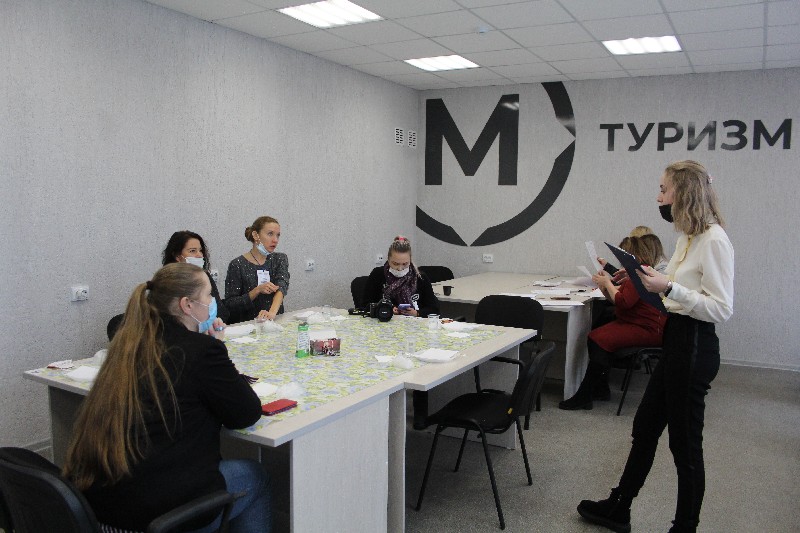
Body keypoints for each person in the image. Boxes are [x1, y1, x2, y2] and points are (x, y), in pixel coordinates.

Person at [577, 160, 733, 533]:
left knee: (685, 446)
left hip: (694, 346)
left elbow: (721, 308)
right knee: (645, 427)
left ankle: (684, 527)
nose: (659, 197)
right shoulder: (687, 238)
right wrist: (642, 278)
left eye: (664, 190)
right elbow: (673, 292)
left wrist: (669, 287)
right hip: (675, 339)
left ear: (684, 193)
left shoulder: (714, 240)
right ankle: (619, 507)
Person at [63, 263, 270, 532]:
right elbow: (246, 413)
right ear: (187, 305)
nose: (212, 303)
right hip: (155, 512)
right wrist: (217, 349)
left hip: (100, 504)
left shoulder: (129, 344)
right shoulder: (201, 350)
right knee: (255, 476)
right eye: (208, 296)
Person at [560, 236, 667, 411]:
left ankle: (586, 394)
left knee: (598, 338)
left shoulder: (639, 273)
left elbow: (623, 302)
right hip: (638, 323)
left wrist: (607, 283)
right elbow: (618, 299)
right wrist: (605, 287)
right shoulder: (636, 271)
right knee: (596, 336)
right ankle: (599, 388)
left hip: (648, 328)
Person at [225, 216, 290, 323]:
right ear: (255, 235)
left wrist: (271, 313)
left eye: (278, 235)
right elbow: (230, 304)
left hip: (274, 322)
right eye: (270, 234)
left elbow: (282, 286)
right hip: (248, 324)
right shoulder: (237, 264)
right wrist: (257, 291)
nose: (275, 240)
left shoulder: (279, 259)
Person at [162, 230, 230, 323]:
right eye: (192, 251)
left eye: (200, 250)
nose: (199, 255)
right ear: (177, 256)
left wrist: (215, 322)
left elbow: (221, 310)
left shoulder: (205, 276)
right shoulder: (168, 282)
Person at [364, 236, 440, 317]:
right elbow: (364, 305)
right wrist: (386, 308)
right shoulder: (378, 274)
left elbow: (434, 309)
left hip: (414, 321)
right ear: (388, 259)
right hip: (385, 320)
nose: (400, 268)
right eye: (395, 264)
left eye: (405, 264)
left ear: (410, 260)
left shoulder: (420, 277)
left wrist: (417, 313)